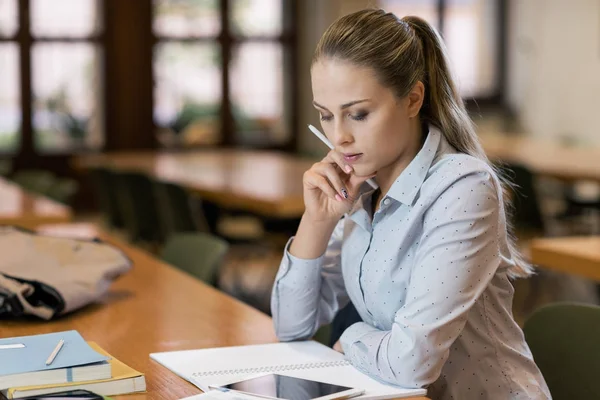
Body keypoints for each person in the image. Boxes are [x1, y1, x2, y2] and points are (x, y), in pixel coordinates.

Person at [270, 8, 551, 400]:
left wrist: (350, 336)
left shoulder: (462, 188)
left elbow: (412, 362)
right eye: (326, 116)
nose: (339, 137)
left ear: (413, 99)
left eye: (358, 114)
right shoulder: (359, 188)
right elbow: (290, 328)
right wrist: (315, 223)